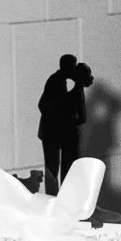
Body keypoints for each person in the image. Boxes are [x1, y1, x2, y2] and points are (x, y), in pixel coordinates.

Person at [37, 53, 87, 195]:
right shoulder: (55, 81)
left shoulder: (65, 82)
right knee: (52, 167)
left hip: (61, 132)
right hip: (51, 133)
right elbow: (43, 105)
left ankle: (65, 196)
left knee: (67, 165)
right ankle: (53, 198)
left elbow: (80, 116)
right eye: (71, 67)